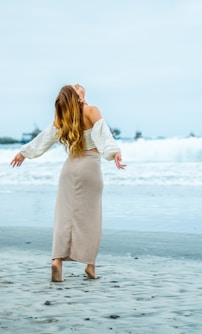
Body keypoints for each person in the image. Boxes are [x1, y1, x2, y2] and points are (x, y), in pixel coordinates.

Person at [11, 84, 126, 282]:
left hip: (69, 169)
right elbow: (105, 135)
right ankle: (90, 266)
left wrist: (24, 153)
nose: (80, 86)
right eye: (76, 87)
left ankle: (57, 261)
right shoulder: (91, 111)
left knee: (64, 218)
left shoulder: (63, 117)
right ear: (76, 96)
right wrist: (115, 152)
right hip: (90, 167)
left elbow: (43, 139)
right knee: (91, 219)